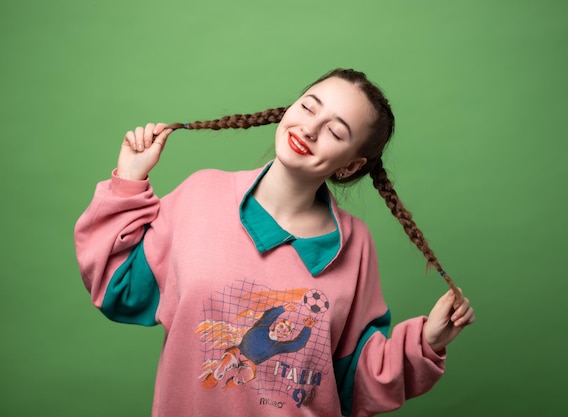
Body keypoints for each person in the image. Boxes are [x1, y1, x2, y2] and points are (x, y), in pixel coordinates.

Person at [74, 68, 475, 417]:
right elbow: (119, 288)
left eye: (336, 131)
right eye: (308, 106)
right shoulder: (201, 193)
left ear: (351, 165)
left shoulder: (354, 244)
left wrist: (427, 342)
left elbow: (353, 383)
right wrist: (128, 181)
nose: (310, 129)